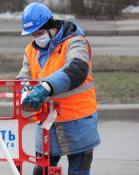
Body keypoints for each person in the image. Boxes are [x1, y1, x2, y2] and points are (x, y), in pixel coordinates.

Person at [16, 2, 100, 175]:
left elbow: (77, 69)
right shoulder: (31, 50)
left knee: (79, 171)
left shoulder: (76, 42)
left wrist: (46, 87)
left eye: (39, 33)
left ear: (51, 27)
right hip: (47, 122)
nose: (36, 37)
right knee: (42, 171)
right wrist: (24, 92)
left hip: (78, 122)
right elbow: (24, 77)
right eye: (32, 34)